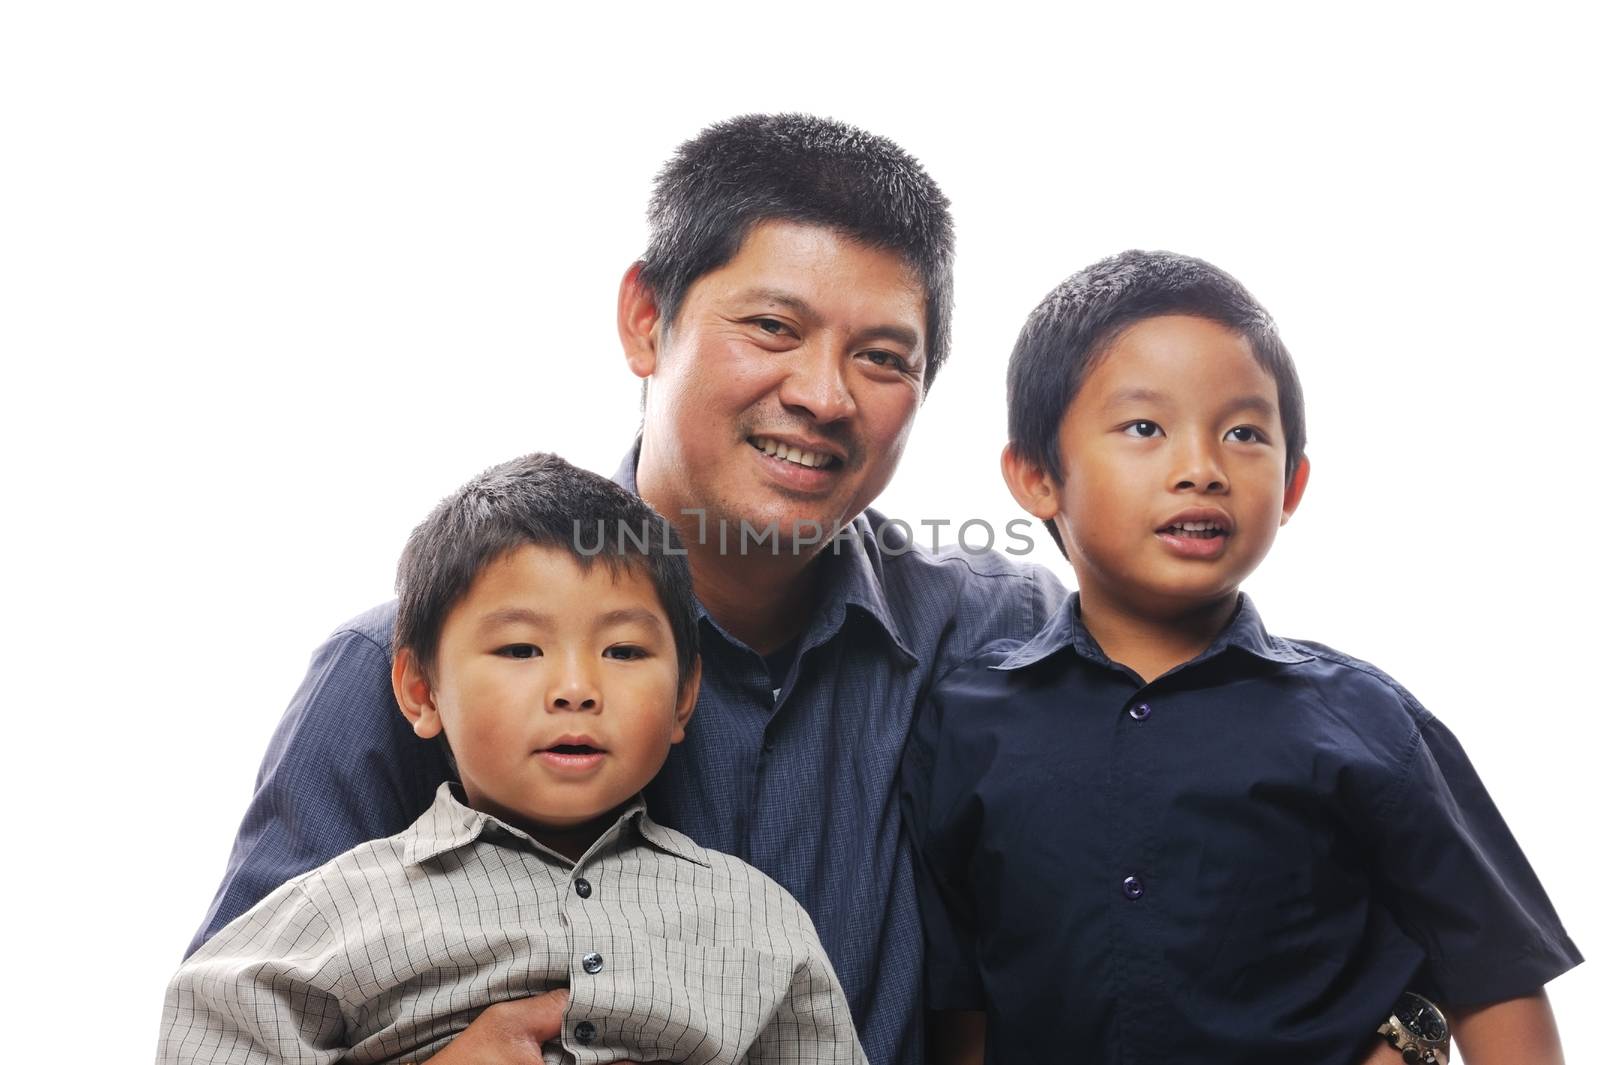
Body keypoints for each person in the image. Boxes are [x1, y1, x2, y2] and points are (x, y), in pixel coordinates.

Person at [186, 114, 1064, 1065]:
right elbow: (233, 1027)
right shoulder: (399, 668)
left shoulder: (1001, 635)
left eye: (884, 357)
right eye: (773, 326)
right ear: (647, 320)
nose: (825, 395)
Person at [902, 250, 1581, 1064]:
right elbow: (962, 1006)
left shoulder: (1365, 719)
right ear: (1038, 476)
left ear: (1292, 485)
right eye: (1145, 428)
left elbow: (1495, 979)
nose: (1202, 469)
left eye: (1244, 433)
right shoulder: (966, 721)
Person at [160, 453, 865, 1064]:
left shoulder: (760, 920)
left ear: (685, 697)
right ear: (420, 689)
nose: (577, 690)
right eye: (521, 649)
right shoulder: (338, 909)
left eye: (623, 651)